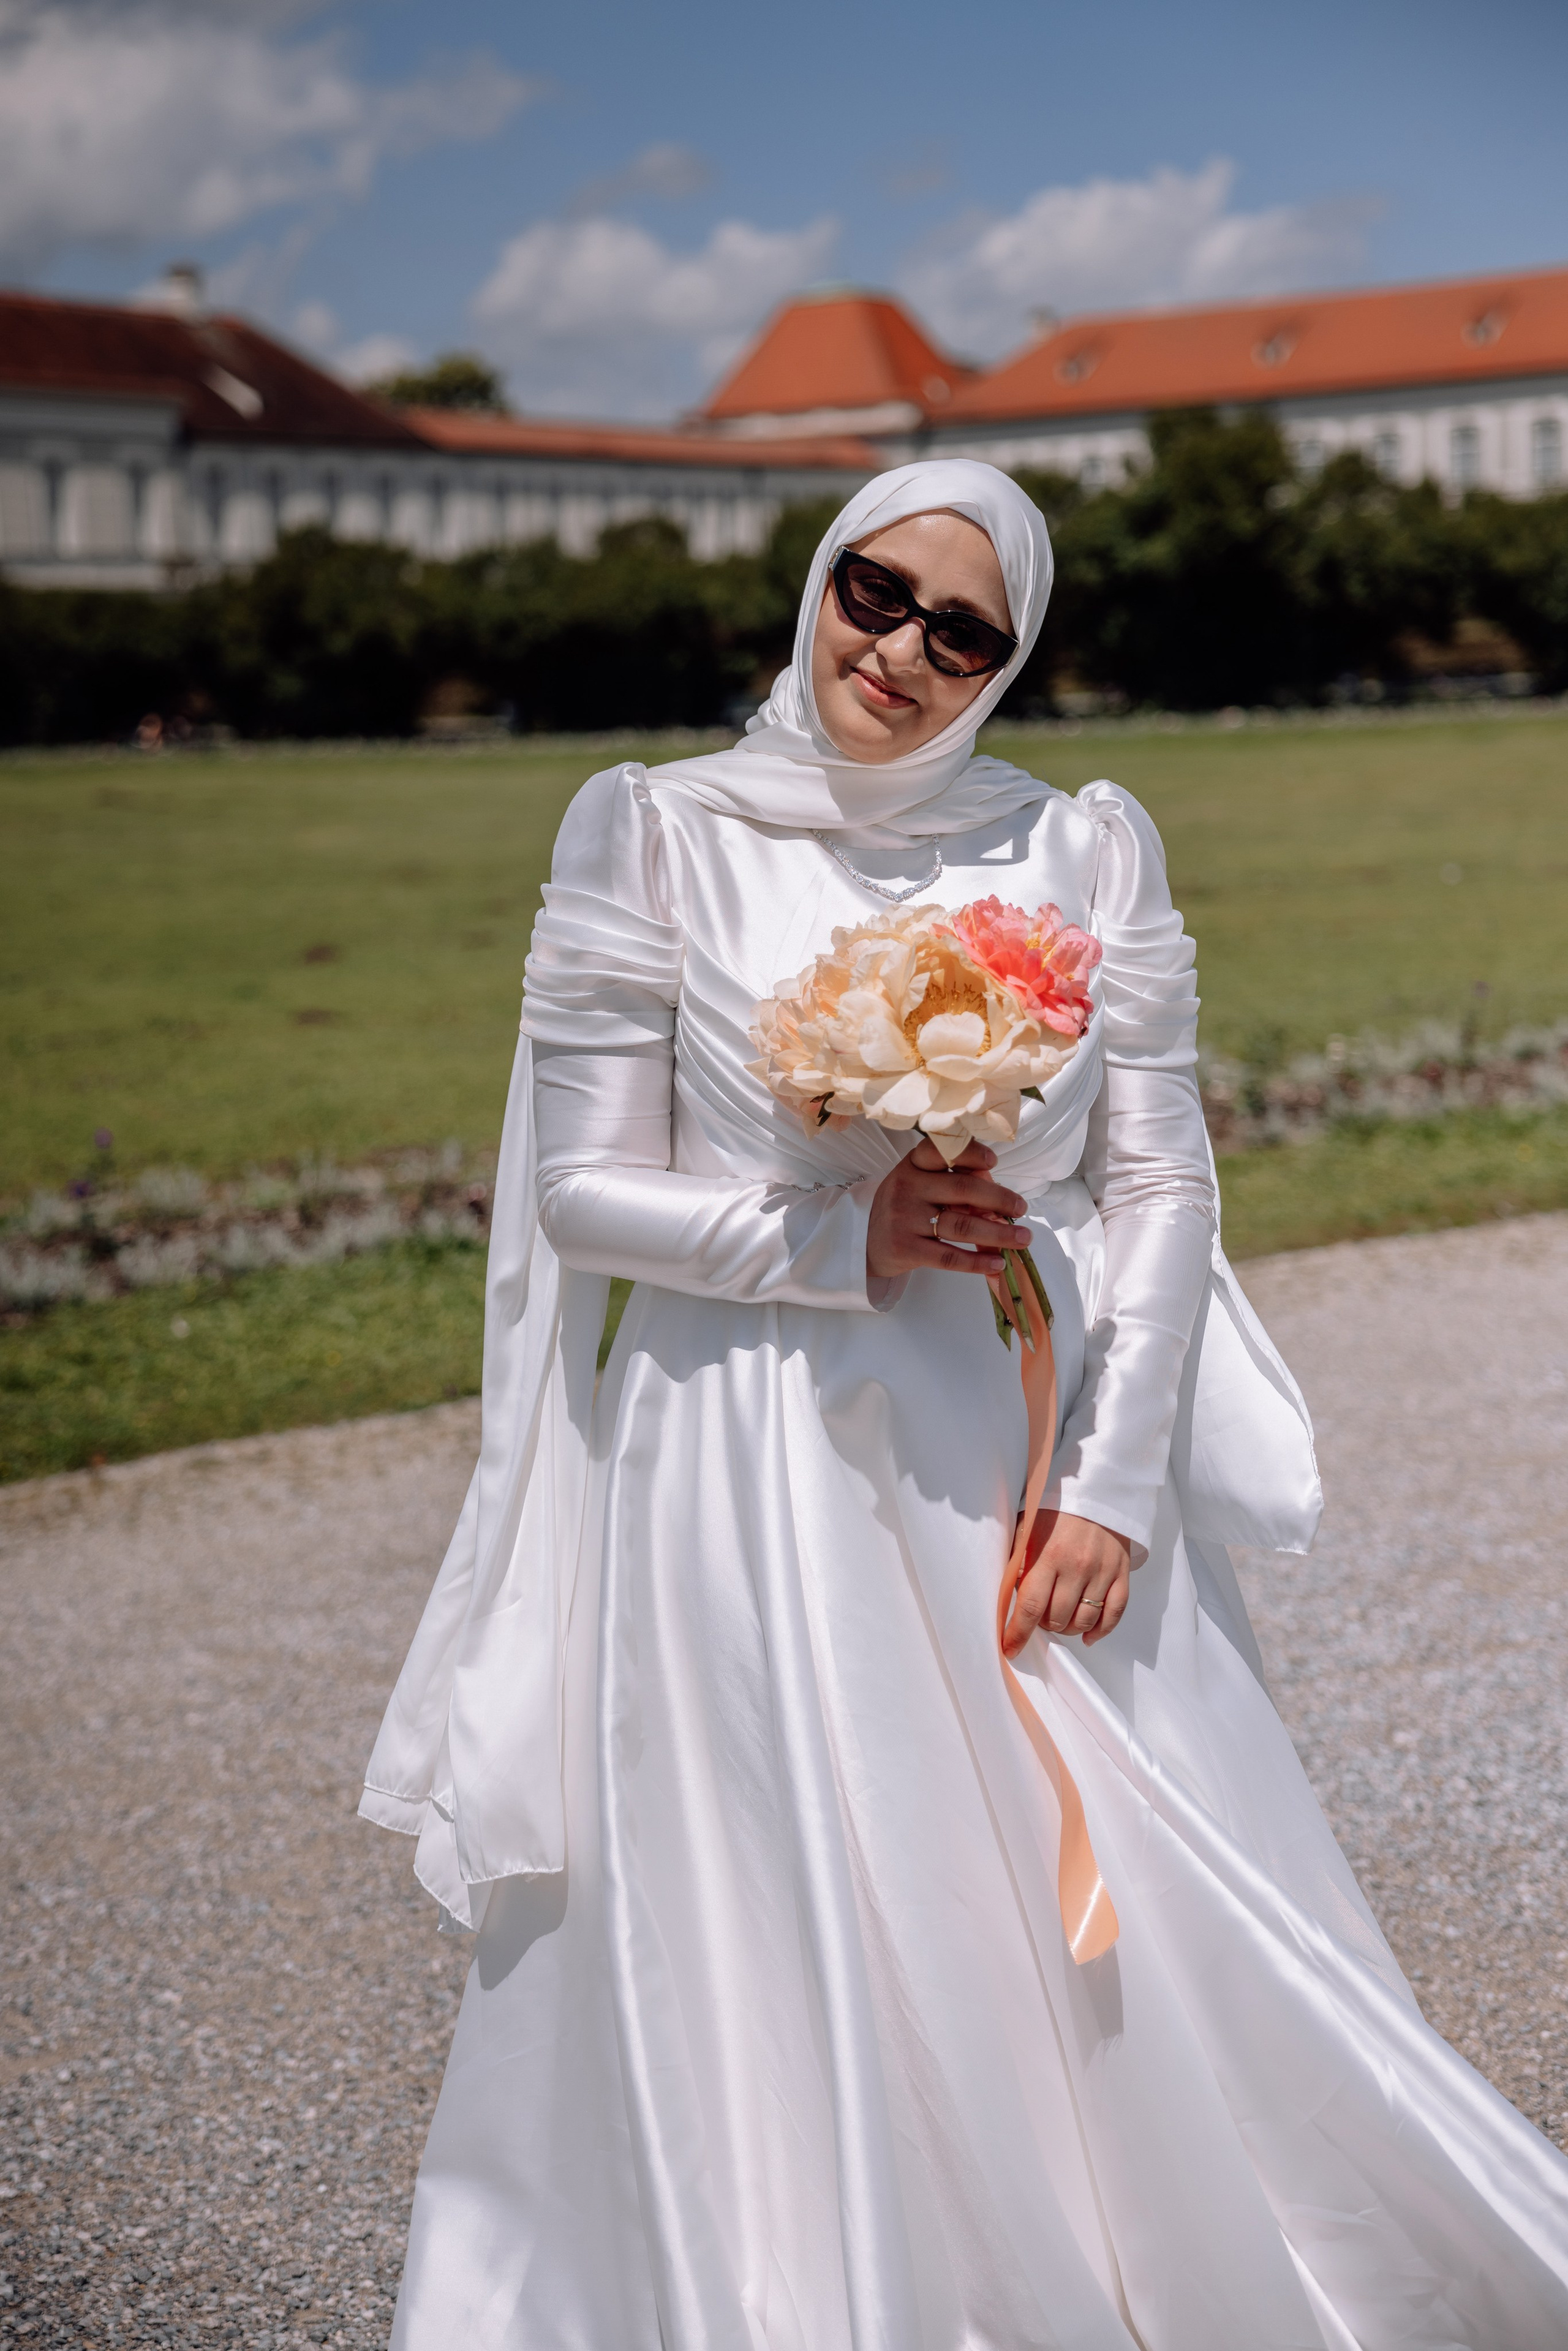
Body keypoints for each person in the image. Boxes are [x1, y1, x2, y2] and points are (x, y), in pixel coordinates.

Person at [361, 460, 1568, 2349]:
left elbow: (1162, 1185)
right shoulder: (652, 833)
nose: (901, 651)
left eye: (963, 631)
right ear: (818, 580)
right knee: (778, 1886)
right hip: (748, 1455)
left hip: (1022, 1452)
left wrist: (1113, 1484)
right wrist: (837, 1239)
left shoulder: (1083, 848)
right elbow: (582, 1194)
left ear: (1009, 661)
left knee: (1121, 1893)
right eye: (872, 593)